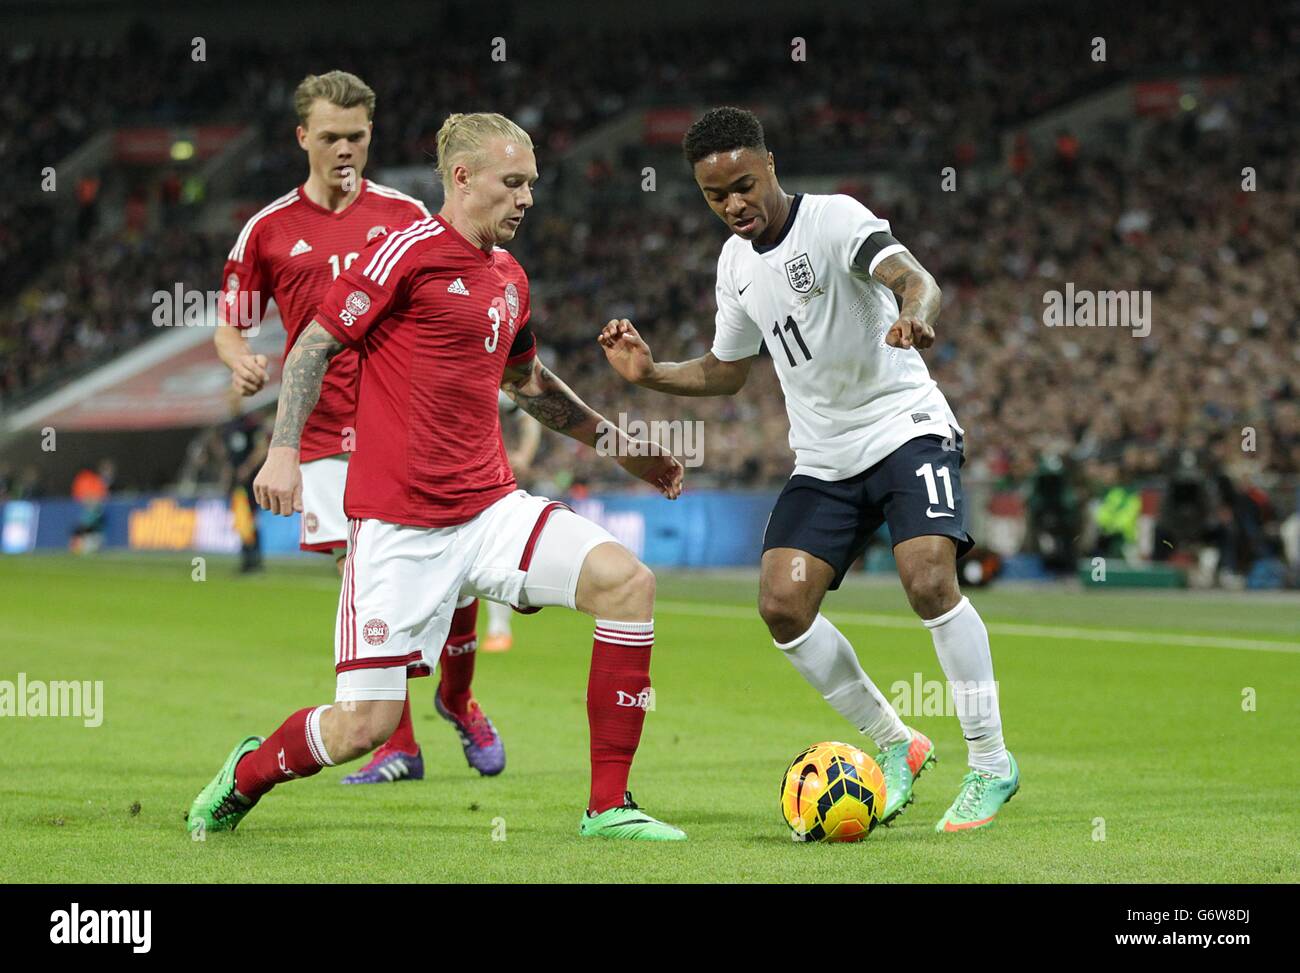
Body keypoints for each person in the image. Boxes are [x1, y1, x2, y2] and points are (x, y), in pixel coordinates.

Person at [187, 112, 687, 841]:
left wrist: (623, 447)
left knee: (628, 582)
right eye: (512, 183)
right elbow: (312, 347)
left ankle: (609, 807)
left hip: (490, 511)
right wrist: (284, 449)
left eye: (532, 186)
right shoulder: (405, 253)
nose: (526, 199)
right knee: (365, 725)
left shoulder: (510, 276)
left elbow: (531, 384)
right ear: (461, 177)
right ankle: (248, 772)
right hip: (397, 527)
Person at [599, 107, 1018, 832]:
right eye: (714, 194)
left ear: (770, 167)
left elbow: (911, 277)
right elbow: (727, 372)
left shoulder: (833, 219)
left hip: (904, 427)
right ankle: (899, 743)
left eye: (742, 184)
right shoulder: (733, 264)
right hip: (824, 458)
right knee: (782, 606)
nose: (733, 204)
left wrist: (916, 311)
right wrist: (651, 374)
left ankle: (990, 761)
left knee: (927, 576)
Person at [211, 70, 503, 781]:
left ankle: (458, 698)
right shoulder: (268, 229)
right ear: (302, 135)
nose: (346, 148)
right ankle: (398, 741)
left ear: (372, 136)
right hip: (317, 438)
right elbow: (230, 324)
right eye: (331, 135)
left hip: (399, 426)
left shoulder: (406, 215)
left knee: (461, 581)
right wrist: (240, 357)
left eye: (358, 136)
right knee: (369, 584)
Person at [481, 390, 543, 653]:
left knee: (491, 551)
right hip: (437, 482)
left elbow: (528, 415)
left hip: (486, 481)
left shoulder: (482, 383)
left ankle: (498, 628)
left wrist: (524, 456)